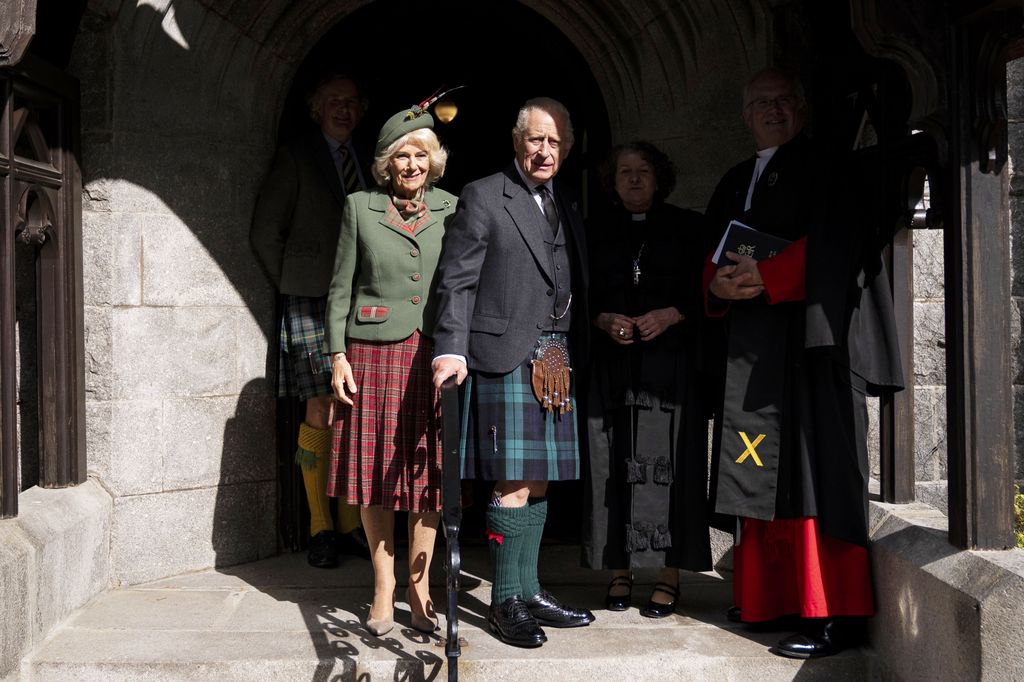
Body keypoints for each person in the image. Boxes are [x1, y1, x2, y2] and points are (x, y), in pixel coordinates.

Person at [703, 68, 903, 658]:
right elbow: (711, 254)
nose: (773, 110)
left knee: (818, 478)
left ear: (804, 109)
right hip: (756, 347)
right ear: (745, 116)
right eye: (760, 103)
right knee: (760, 473)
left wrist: (768, 275)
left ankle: (833, 612)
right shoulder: (736, 178)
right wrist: (719, 286)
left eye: (784, 100)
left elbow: (840, 243)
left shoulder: (830, 168)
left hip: (815, 343)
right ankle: (772, 600)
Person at [431, 97, 595, 649]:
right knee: (514, 481)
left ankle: (529, 590)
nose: (544, 150)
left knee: (540, 478)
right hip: (503, 354)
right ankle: (504, 602)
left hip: (556, 356)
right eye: (535, 139)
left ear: (566, 148)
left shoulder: (565, 202)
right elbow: (456, 280)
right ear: (517, 141)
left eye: (554, 141)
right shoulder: (483, 194)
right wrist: (449, 348)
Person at [324, 101, 458, 637]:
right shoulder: (360, 206)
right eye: (402, 155)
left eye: (420, 154)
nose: (411, 165)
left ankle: (420, 590)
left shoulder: (454, 206)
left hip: (432, 354)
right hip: (372, 351)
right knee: (376, 473)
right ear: (386, 163)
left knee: (427, 475)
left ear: (433, 160)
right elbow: (340, 287)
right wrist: (336, 354)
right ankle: (382, 586)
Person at [582, 141, 712, 616]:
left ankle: (668, 575)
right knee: (614, 466)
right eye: (624, 172)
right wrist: (601, 321)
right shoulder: (593, 231)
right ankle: (619, 570)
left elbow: (708, 295)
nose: (634, 179)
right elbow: (576, 294)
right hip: (614, 367)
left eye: (643, 172)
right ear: (612, 182)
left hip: (670, 369)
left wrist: (673, 314)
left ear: (659, 179)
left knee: (670, 468)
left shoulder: (688, 227)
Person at [251, 72, 370, 568]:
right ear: (316, 109)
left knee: (352, 408)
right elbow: (264, 232)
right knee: (318, 409)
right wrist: (295, 280)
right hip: (311, 301)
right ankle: (320, 524)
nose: (344, 110)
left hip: (361, 302)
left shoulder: (364, 162)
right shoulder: (297, 155)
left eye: (351, 102)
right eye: (333, 102)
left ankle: (350, 525)